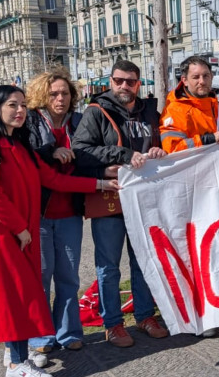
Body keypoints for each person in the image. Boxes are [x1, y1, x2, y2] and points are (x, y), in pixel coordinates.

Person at [0, 85, 117, 377]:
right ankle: (18, 366)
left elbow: (54, 180)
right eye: (12, 105)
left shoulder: (19, 146)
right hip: (1, 237)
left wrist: (100, 185)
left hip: (23, 235)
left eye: (22, 105)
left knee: (23, 296)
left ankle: (15, 354)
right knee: (15, 298)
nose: (20, 111)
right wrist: (19, 227)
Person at [72, 60, 170, 347]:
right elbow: (80, 151)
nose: (124, 86)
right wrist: (121, 156)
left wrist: (158, 149)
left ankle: (144, 315)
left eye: (130, 81)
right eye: (119, 81)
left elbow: (162, 143)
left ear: (139, 83)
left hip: (143, 200)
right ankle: (112, 323)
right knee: (108, 266)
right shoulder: (96, 111)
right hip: (110, 200)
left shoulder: (149, 111)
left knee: (143, 262)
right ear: (110, 81)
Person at [24, 71, 93, 362]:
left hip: (69, 212)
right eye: (53, 94)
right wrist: (53, 151)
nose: (60, 98)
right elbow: (27, 157)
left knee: (68, 276)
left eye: (65, 93)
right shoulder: (30, 122)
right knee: (41, 277)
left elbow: (89, 153)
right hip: (38, 213)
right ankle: (40, 335)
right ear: (42, 95)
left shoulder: (78, 122)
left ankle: (69, 332)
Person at [160, 56, 219, 153]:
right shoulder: (174, 110)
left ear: (211, 77)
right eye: (196, 77)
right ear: (184, 80)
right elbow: (172, 148)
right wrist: (209, 139)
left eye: (206, 76)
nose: (202, 81)